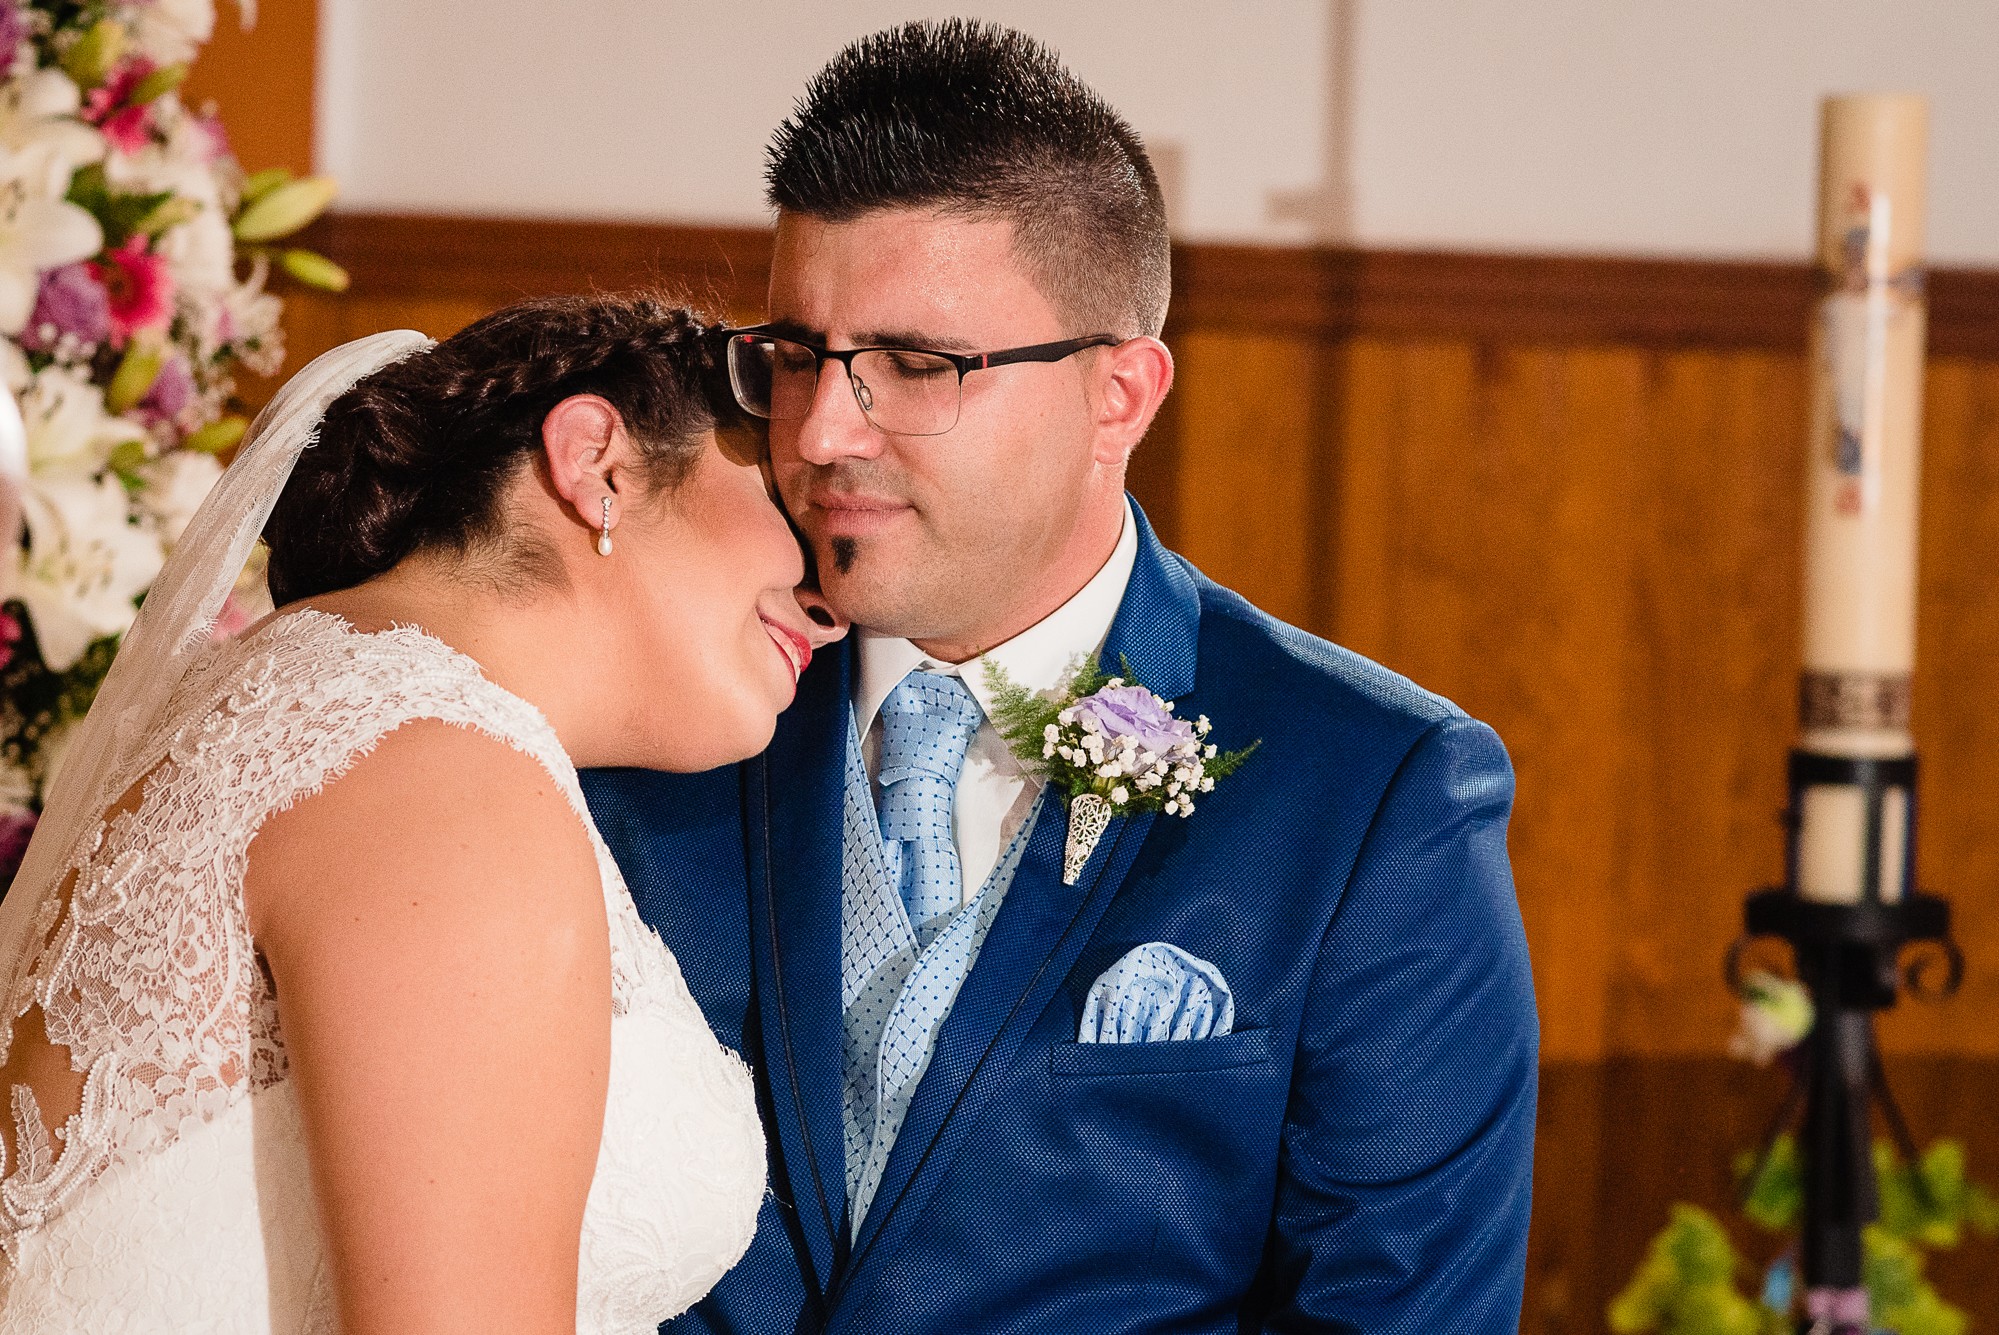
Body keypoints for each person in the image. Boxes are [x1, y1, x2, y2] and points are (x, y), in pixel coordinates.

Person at [582, 19, 1539, 1335]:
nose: (817, 431)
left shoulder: (1372, 796)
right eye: (798, 353)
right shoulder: (646, 717)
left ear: (1119, 395)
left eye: (914, 365)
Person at [0, 294, 844, 1334]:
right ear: (598, 464)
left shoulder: (327, 700)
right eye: (797, 506)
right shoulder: (439, 772)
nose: (832, 600)